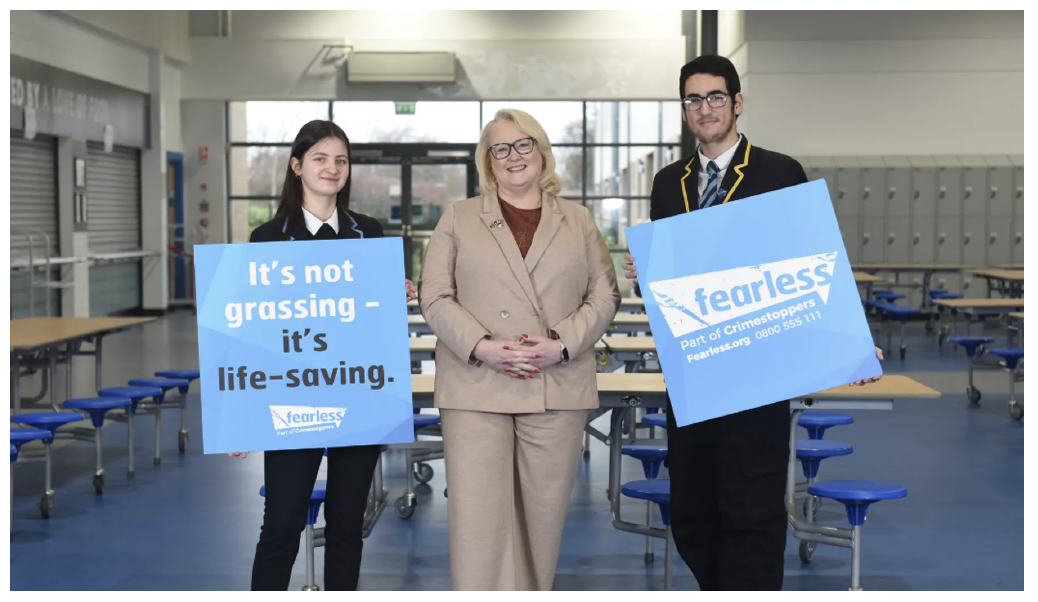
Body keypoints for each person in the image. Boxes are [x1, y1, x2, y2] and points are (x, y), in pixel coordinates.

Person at [622, 55, 883, 591]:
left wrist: (850, 346)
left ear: (737, 103)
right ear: (684, 109)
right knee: (695, 516)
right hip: (693, 381)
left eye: (716, 96)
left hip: (756, 383)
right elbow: (670, 287)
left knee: (753, 516)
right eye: (693, 99)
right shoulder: (669, 184)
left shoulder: (778, 172)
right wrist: (647, 274)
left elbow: (813, 268)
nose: (705, 108)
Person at [418, 109, 620, 590]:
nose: (514, 156)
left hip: (555, 383)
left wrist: (562, 344)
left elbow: (606, 294)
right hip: (477, 384)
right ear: (487, 161)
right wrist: (481, 346)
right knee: (477, 520)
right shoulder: (459, 217)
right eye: (500, 148)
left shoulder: (579, 220)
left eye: (524, 144)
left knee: (542, 519)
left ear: (542, 150)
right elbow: (435, 295)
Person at [232, 120, 418, 591]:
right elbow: (255, 332)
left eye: (340, 160)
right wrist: (243, 416)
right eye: (320, 158)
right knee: (282, 523)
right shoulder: (268, 238)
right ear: (296, 166)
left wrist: (398, 295)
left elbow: (377, 321)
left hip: (358, 396)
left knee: (346, 525)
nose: (331, 168)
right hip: (294, 400)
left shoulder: (369, 234)